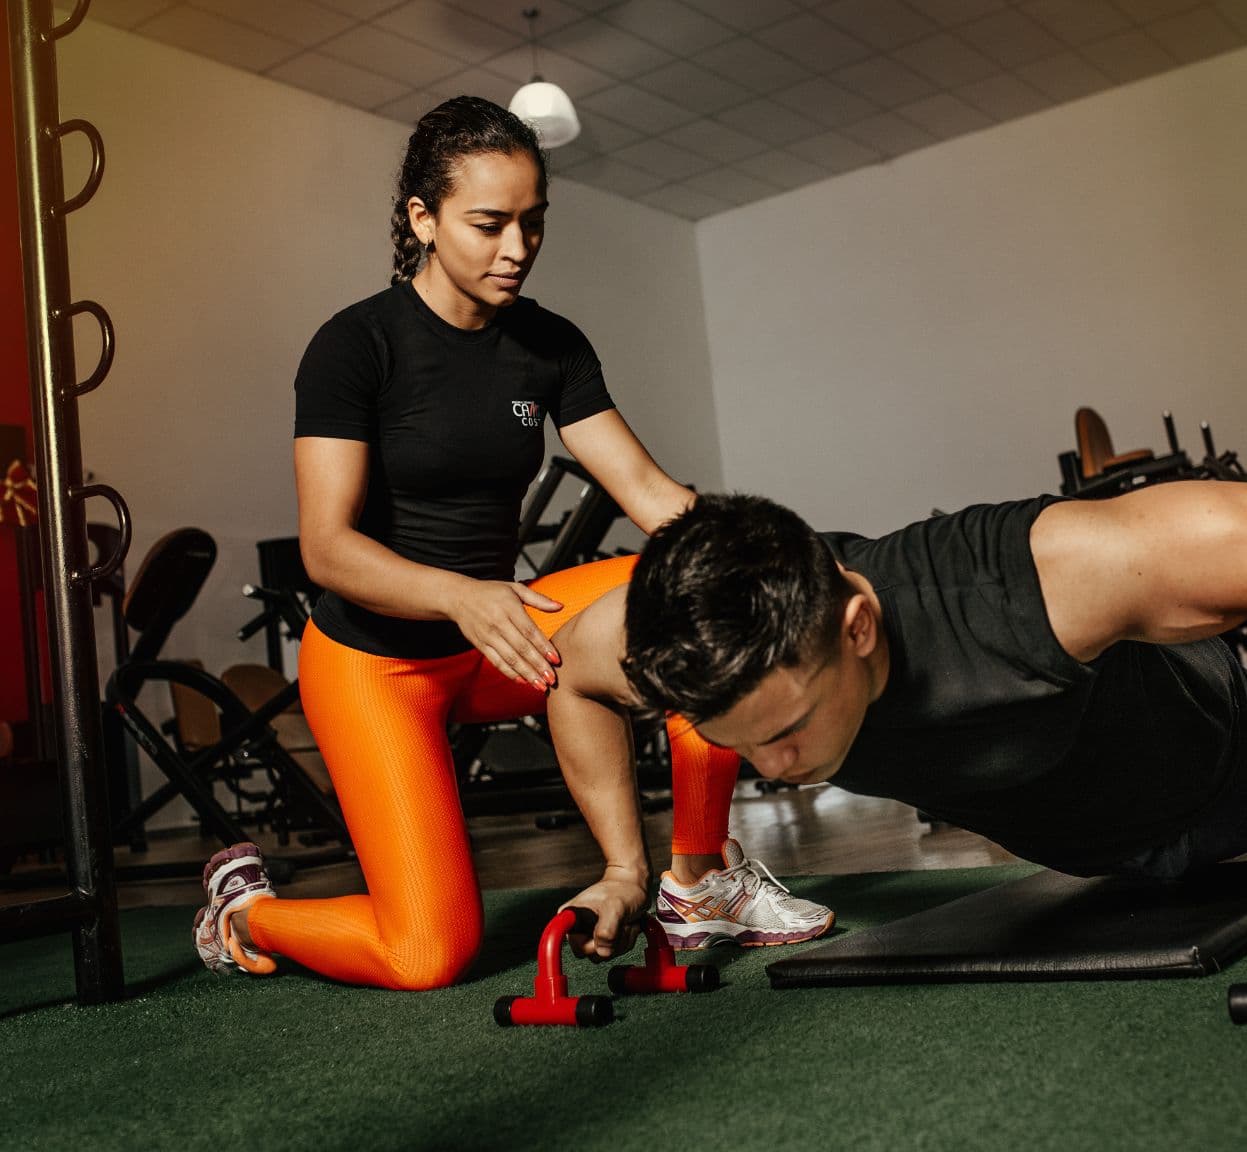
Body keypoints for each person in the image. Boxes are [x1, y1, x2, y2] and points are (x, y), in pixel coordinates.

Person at [192, 97, 829, 987]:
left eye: (534, 223)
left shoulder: (548, 345)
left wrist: (775, 556)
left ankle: (698, 881)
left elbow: (647, 492)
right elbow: (327, 550)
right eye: (490, 224)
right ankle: (245, 911)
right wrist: (459, 594)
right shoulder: (354, 347)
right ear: (423, 218)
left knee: (702, 593)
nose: (518, 248)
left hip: (508, 635)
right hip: (381, 663)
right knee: (426, 954)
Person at [531, 482, 1247, 959]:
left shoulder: (1025, 580)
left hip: (1230, 774)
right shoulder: (680, 640)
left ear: (860, 627)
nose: (776, 765)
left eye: (790, 726)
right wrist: (621, 869)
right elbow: (568, 671)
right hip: (1084, 846)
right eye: (740, 741)